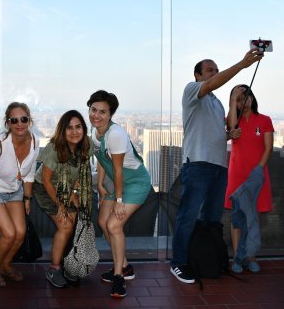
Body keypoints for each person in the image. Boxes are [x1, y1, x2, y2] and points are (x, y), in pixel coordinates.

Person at [170, 49, 264, 284]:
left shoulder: (217, 104)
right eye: (210, 70)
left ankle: (206, 259)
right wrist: (242, 64)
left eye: (216, 70)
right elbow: (214, 84)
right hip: (198, 163)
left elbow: (217, 135)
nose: (214, 73)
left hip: (219, 166)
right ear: (197, 75)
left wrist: (229, 135)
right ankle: (178, 262)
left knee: (211, 218)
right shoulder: (192, 91)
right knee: (188, 216)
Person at [87, 90, 151, 298]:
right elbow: (103, 159)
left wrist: (120, 201)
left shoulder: (115, 134)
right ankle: (124, 266)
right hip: (115, 182)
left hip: (134, 182)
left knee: (114, 225)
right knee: (104, 222)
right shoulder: (95, 132)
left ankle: (118, 276)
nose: (96, 115)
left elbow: (119, 168)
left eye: (102, 112)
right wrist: (99, 182)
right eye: (93, 109)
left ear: (110, 114)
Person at [0, 102, 39, 287]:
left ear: (29, 120)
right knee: (9, 234)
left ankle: (5, 264)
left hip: (15, 190)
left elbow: (29, 173)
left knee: (20, 233)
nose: (19, 124)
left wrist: (27, 198)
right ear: (7, 123)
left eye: (23, 119)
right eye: (14, 120)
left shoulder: (35, 141)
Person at [32, 110, 93, 288]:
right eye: (69, 128)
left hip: (65, 188)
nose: (74, 132)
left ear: (84, 129)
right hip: (45, 188)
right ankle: (54, 268)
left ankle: (69, 265)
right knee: (65, 224)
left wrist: (74, 192)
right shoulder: (55, 147)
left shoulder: (85, 146)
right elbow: (45, 179)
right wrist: (60, 204)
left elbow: (81, 173)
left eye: (78, 127)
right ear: (62, 130)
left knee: (73, 221)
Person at [225, 85, 274, 273]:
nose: (242, 102)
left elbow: (268, 148)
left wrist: (258, 172)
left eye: (245, 97)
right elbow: (229, 128)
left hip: (258, 176)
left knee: (255, 217)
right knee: (236, 217)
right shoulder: (233, 121)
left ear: (252, 98)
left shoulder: (265, 120)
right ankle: (237, 257)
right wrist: (231, 102)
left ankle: (251, 255)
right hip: (236, 175)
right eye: (238, 99)